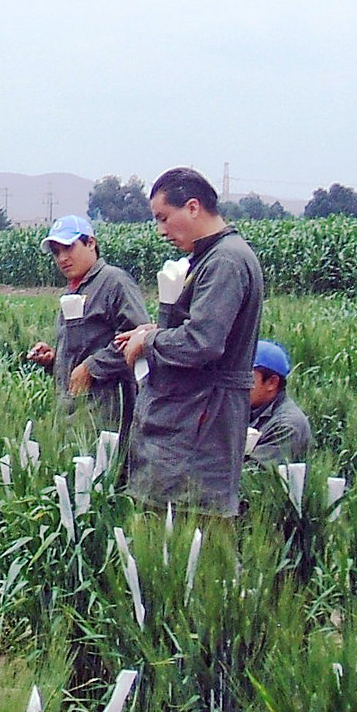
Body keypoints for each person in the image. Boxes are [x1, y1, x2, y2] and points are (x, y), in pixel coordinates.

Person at [115, 169, 264, 517]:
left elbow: (203, 342)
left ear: (193, 207)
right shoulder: (212, 257)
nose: (161, 230)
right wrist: (152, 331)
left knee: (194, 529)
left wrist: (149, 341)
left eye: (164, 218)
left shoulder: (225, 260)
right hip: (191, 419)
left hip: (201, 424)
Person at [24, 214, 148, 429]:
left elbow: (138, 339)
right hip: (72, 410)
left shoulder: (114, 282)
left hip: (106, 412)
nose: (62, 258)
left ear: (91, 243)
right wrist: (53, 359)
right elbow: (83, 346)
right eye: (56, 252)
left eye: (68, 248)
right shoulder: (74, 290)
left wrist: (91, 367)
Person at [245, 339, 311, 468]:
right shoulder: (245, 409)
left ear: (272, 383)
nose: (240, 382)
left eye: (247, 376)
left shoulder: (288, 426)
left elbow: (251, 477)